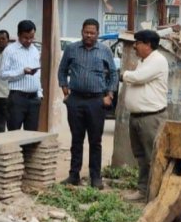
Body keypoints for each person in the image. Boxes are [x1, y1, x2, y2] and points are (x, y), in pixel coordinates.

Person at [58, 19, 119, 189]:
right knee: (76, 140)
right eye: (86, 32)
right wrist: (65, 90)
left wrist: (109, 95)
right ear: (81, 32)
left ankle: (95, 177)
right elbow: (62, 70)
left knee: (95, 141)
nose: (89, 36)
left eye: (92, 33)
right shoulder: (71, 49)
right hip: (75, 99)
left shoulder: (105, 50)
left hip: (96, 101)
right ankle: (73, 175)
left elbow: (113, 75)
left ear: (98, 33)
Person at [121, 30, 169, 202]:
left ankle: (156, 194)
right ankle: (143, 190)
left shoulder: (158, 60)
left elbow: (138, 78)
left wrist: (124, 75)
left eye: (138, 42)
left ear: (148, 44)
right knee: (141, 156)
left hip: (151, 117)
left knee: (153, 156)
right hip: (137, 117)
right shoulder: (144, 61)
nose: (135, 46)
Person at [0, 20, 42, 131]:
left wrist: (39, 93)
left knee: (32, 135)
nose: (29, 41)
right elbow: (3, 74)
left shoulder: (35, 50)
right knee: (14, 133)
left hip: (34, 99)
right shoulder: (10, 50)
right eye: (25, 37)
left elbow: (38, 74)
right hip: (17, 98)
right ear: (19, 35)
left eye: (31, 37)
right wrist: (22, 71)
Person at [0, 30, 11, 132]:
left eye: (3, 39)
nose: (0, 41)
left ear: (7, 40)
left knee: (9, 121)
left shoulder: (11, 55)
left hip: (6, 93)